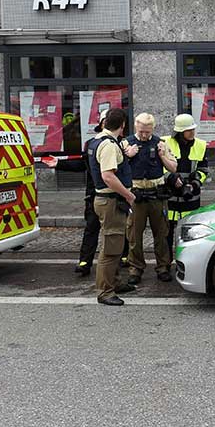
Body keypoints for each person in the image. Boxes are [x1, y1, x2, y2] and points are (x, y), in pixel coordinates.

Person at [42, 110, 129, 277]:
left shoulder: (121, 143)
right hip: (96, 193)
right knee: (92, 228)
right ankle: (85, 261)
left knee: (118, 228)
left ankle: (123, 257)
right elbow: (83, 164)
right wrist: (59, 164)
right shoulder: (93, 143)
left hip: (115, 195)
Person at [87, 108, 137, 306]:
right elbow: (108, 176)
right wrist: (128, 195)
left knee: (115, 245)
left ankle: (114, 282)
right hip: (111, 201)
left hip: (107, 200)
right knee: (110, 248)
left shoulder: (97, 141)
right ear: (122, 125)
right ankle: (105, 292)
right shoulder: (108, 145)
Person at [122, 113, 178, 284]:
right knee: (134, 235)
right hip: (136, 194)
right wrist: (127, 156)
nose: (144, 135)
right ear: (135, 127)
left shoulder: (161, 143)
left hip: (156, 195)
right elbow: (116, 168)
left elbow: (173, 168)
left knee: (161, 234)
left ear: (153, 128)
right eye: (141, 131)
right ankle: (135, 268)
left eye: (147, 131)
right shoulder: (126, 143)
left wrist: (162, 156)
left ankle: (163, 267)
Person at [162, 114, 209, 257]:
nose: (192, 132)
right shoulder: (165, 142)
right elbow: (159, 167)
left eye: (193, 129)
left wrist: (194, 184)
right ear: (179, 132)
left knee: (189, 233)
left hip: (190, 196)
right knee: (166, 233)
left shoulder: (201, 145)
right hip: (169, 195)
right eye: (188, 130)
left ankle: (186, 261)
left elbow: (203, 170)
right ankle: (166, 262)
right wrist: (170, 178)